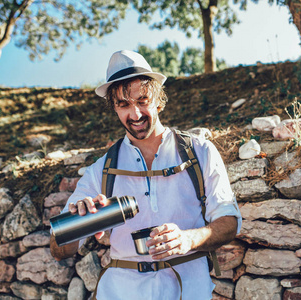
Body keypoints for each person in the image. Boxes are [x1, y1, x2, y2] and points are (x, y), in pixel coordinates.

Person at [50, 50, 242, 299]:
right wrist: (76, 223)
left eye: (142, 101)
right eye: (124, 105)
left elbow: (229, 222)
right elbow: (58, 250)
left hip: (188, 290)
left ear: (159, 100)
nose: (136, 114)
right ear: (115, 109)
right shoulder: (101, 170)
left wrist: (188, 239)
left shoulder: (200, 152)